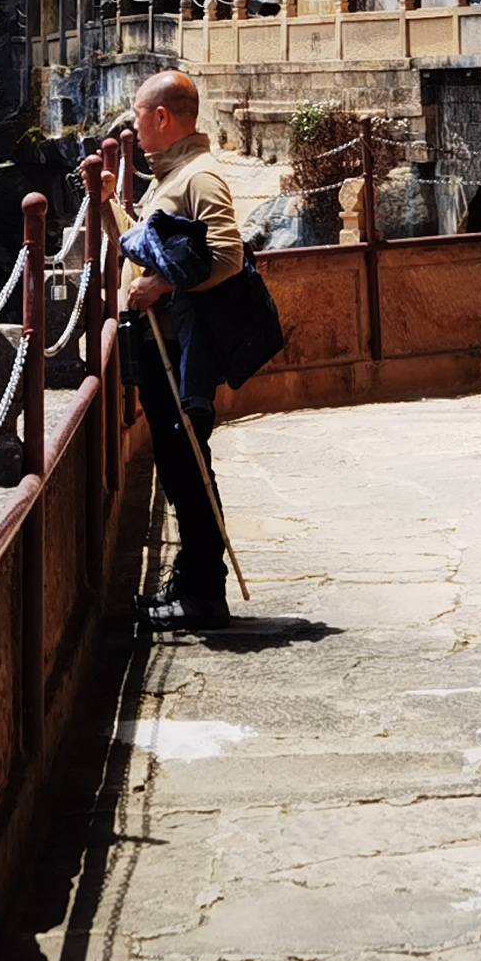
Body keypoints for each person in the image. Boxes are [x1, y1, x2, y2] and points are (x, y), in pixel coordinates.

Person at [102, 72, 281, 629]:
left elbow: (228, 256)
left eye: (138, 113)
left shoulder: (200, 177)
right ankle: (193, 582)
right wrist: (111, 206)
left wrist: (163, 287)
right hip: (163, 344)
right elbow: (151, 244)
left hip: (181, 351)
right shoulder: (173, 174)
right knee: (180, 468)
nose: (133, 124)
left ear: (162, 117)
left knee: (189, 467)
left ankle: (204, 593)